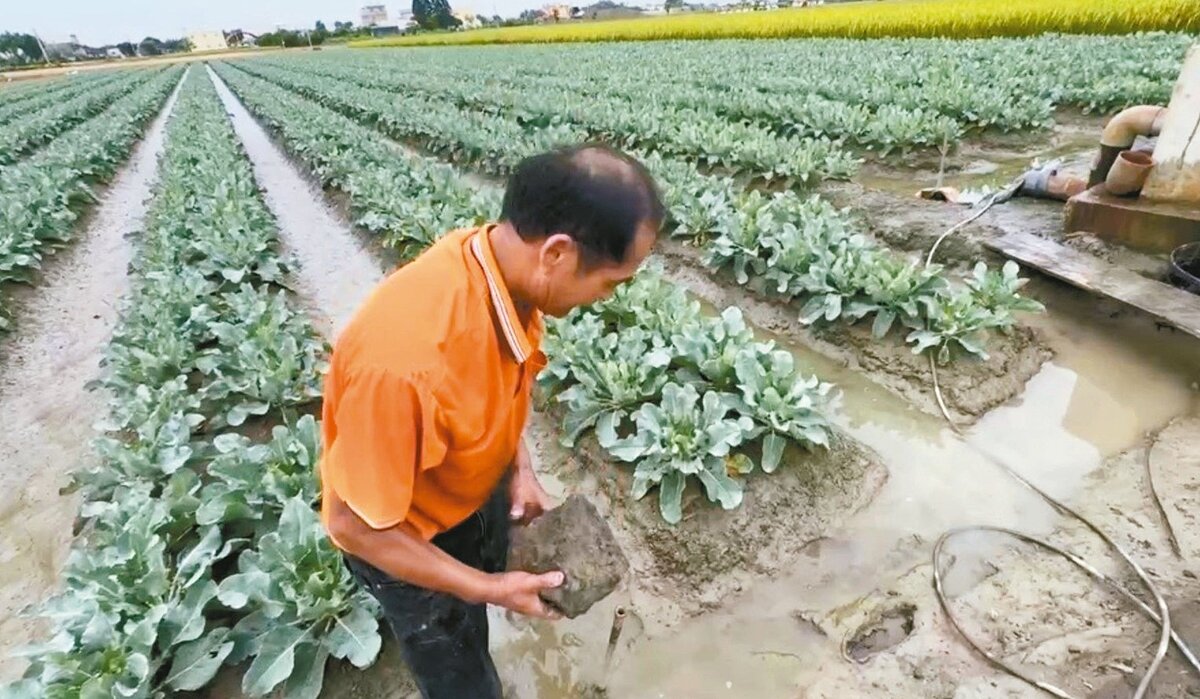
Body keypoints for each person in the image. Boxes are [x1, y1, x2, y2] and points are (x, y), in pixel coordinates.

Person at [319, 144, 664, 699]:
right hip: (404, 536)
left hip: (468, 491)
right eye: (609, 283)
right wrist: (487, 587)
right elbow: (355, 526)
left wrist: (518, 471)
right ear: (556, 253)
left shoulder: (505, 274)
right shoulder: (405, 365)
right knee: (459, 670)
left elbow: (500, 382)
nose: (604, 299)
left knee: (479, 601)